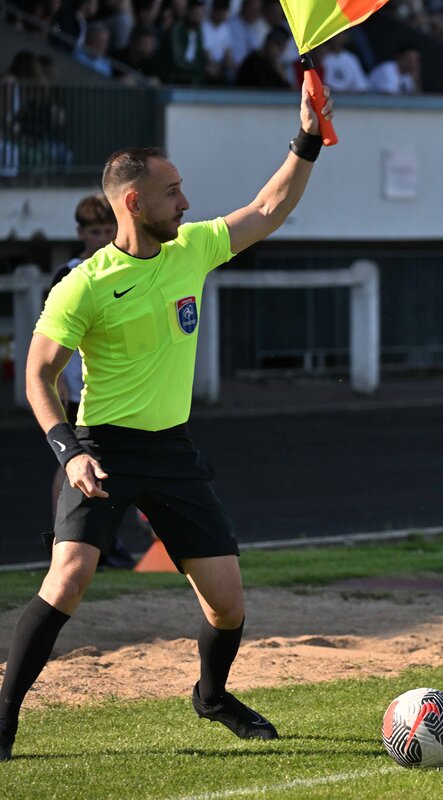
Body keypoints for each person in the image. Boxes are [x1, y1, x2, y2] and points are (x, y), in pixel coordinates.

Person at [0, 84, 335, 763]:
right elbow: (36, 375)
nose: (185, 201)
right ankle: (4, 721)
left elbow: (268, 208)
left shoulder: (192, 248)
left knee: (228, 606)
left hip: (173, 452)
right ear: (134, 202)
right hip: (102, 448)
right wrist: (68, 452)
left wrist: (306, 138)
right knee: (68, 577)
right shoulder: (85, 283)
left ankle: (211, 696)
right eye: (172, 191)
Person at [47, 194, 137, 570]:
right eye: (94, 231)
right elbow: (49, 337)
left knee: (114, 463)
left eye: (107, 230)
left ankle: (102, 540)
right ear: (81, 233)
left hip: (114, 389)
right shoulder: (70, 274)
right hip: (76, 389)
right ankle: (62, 537)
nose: (101, 238)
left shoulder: (122, 269)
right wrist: (58, 383)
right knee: (71, 462)